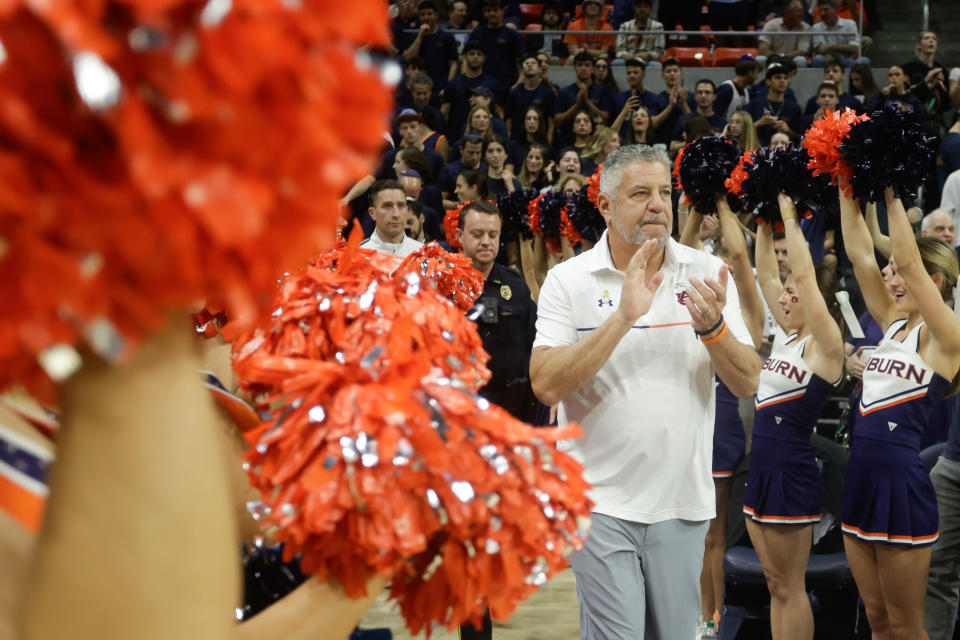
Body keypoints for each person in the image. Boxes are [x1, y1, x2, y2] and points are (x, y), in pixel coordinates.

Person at [529, 144, 761, 639]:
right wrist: (623, 316)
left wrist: (715, 328)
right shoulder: (567, 281)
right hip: (597, 502)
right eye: (641, 193)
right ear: (606, 205)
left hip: (682, 503)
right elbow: (546, 385)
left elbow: (747, 381)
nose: (658, 204)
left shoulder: (706, 273)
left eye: (664, 191)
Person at [839, 184, 960, 639]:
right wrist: (847, 181)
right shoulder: (891, 325)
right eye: (889, 272)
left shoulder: (945, 335)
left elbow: (909, 260)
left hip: (901, 486)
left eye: (899, 273)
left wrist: (890, 191)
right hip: (862, 479)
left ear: (936, 282)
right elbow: (856, 251)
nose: (891, 278)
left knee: (908, 625)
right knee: (877, 618)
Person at [747, 193, 845, 640]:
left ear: (816, 302)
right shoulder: (787, 336)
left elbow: (802, 273)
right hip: (762, 470)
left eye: (794, 293)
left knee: (791, 586)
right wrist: (760, 216)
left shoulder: (826, 349)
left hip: (790, 473)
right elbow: (767, 271)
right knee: (774, 586)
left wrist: (789, 211)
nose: (785, 294)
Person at [456, 199, 538, 640]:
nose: (486, 243)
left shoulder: (515, 288)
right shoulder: (439, 286)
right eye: (478, 234)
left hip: (508, 431)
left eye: (492, 235)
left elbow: (533, 353)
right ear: (460, 236)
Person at [442, 42, 501, 141]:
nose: (475, 57)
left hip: (486, 136)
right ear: (465, 56)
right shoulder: (453, 84)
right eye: (472, 53)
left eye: (479, 54)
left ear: (484, 58)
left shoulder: (493, 84)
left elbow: (499, 112)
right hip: (456, 136)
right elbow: (445, 112)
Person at [555, 52, 615, 148]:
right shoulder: (564, 92)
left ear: (592, 69)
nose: (583, 68)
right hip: (568, 142)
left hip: (596, 143)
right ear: (574, 67)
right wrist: (576, 105)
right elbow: (557, 121)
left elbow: (605, 118)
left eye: (587, 65)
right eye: (580, 65)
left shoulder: (603, 90)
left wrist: (587, 101)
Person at [403, 1, 458, 94]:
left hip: (440, 86)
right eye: (423, 14)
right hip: (420, 88)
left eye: (429, 14)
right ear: (419, 17)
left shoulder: (446, 37)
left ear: (436, 15)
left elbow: (454, 64)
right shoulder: (415, 37)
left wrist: (447, 86)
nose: (426, 17)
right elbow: (409, 58)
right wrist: (420, 36)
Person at [359, 179, 425, 257]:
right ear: (372, 213)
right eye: (387, 206)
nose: (396, 214)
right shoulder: (358, 255)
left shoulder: (423, 253)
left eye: (401, 206)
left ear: (406, 210)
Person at [468, 0, 524, 91]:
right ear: (484, 13)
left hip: (506, 85)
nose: (492, 13)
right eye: (488, 11)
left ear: (502, 11)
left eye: (495, 10)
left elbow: (523, 62)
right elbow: (466, 59)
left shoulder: (512, 35)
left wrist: (518, 83)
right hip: (479, 85)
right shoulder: (476, 33)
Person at [746, 63, 803, 145]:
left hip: (785, 154)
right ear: (768, 82)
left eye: (785, 78)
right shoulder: (754, 104)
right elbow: (742, 131)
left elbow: (800, 137)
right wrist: (759, 123)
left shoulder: (794, 108)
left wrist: (788, 130)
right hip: (758, 151)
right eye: (778, 77)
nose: (782, 81)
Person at [506, 56, 557, 143]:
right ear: (522, 70)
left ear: (540, 69)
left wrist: (548, 144)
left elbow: (551, 122)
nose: (530, 65)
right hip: (518, 140)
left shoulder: (548, 92)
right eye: (526, 63)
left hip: (541, 141)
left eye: (533, 63)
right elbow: (509, 120)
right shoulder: (514, 92)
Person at [670, 79, 726, 153]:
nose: (703, 96)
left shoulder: (722, 123)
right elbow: (672, 148)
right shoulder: (684, 120)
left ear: (714, 97)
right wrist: (690, 141)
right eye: (700, 92)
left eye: (707, 92)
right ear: (695, 96)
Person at [810, 0, 871, 68]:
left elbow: (856, 49)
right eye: (820, 11)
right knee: (818, 59)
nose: (822, 13)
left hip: (848, 62)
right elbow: (819, 49)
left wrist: (829, 46)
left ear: (835, 9)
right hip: (828, 62)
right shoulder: (816, 27)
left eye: (826, 10)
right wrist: (846, 48)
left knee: (864, 60)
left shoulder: (850, 23)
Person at [612, 59, 662, 139]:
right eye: (629, 73)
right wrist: (625, 111)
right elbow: (611, 130)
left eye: (635, 72)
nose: (631, 75)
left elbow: (653, 125)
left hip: (646, 144)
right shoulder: (617, 98)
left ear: (643, 74)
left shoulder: (653, 98)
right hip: (622, 144)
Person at [757, 0, 812, 68]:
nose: (802, 13)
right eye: (798, 11)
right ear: (787, 12)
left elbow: (802, 51)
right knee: (760, 59)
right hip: (772, 59)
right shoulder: (771, 25)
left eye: (802, 10)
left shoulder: (805, 28)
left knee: (800, 60)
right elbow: (762, 48)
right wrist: (775, 57)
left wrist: (782, 57)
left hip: (792, 60)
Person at [652, 58, 694, 145]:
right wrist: (670, 106)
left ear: (681, 73)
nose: (672, 74)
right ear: (663, 75)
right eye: (668, 71)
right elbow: (652, 125)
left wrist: (683, 103)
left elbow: (696, 124)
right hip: (662, 145)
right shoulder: (656, 98)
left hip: (685, 144)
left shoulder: (691, 97)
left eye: (675, 71)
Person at [438, 133, 485, 209]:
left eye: (478, 153)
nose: (475, 157)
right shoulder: (448, 171)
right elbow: (440, 200)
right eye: (471, 153)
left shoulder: (487, 170)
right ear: (461, 150)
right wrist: (460, 205)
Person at [615, 0, 665, 69]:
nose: (642, 9)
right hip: (628, 58)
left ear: (650, 9)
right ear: (635, 8)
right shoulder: (624, 26)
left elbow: (659, 52)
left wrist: (647, 55)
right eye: (639, 6)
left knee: (657, 66)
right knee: (616, 63)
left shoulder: (658, 26)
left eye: (645, 6)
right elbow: (619, 51)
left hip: (648, 60)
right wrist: (633, 57)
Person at [507, 106, 550, 172]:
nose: (532, 122)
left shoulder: (547, 148)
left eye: (535, 119)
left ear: (540, 123)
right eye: (528, 118)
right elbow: (508, 172)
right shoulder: (513, 146)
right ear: (523, 122)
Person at [483, 136, 520, 200]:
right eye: (490, 151)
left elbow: (518, 207)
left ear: (506, 155)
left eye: (499, 150)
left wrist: (510, 186)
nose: (495, 155)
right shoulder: (479, 180)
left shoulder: (514, 182)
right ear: (484, 156)